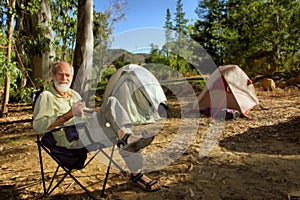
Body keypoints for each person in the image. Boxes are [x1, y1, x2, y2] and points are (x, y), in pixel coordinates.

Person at [32, 61, 160, 192]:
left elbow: (83, 112)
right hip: (69, 139)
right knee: (121, 137)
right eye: (60, 75)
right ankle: (135, 170)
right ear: (52, 75)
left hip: (87, 130)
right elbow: (38, 126)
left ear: (72, 76)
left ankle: (126, 140)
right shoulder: (45, 97)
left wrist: (97, 111)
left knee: (111, 102)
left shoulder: (73, 94)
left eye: (67, 75)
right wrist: (67, 115)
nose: (64, 79)